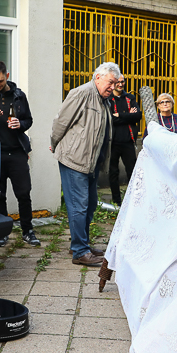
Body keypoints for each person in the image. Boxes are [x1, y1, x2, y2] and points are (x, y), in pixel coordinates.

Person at [50, 62, 117, 266]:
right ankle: (80, 252)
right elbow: (61, 121)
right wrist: (54, 143)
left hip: (91, 162)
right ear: (98, 77)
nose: (113, 87)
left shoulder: (103, 99)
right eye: (110, 82)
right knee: (79, 207)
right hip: (74, 160)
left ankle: (81, 243)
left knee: (88, 206)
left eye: (115, 83)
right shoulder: (82, 93)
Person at [0, 61, 39, 248]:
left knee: (24, 193)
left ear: (7, 76)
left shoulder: (19, 96)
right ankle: (2, 233)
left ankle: (28, 231)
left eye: (0, 81)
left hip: (17, 152)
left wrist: (21, 124)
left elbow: (29, 120)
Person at [107, 74, 141, 206]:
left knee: (132, 171)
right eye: (118, 82)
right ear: (113, 83)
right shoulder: (109, 99)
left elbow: (137, 115)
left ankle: (133, 201)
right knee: (113, 172)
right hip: (113, 142)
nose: (120, 84)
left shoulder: (130, 98)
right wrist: (128, 115)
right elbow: (111, 118)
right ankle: (117, 202)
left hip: (128, 141)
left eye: (123, 82)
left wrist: (120, 115)